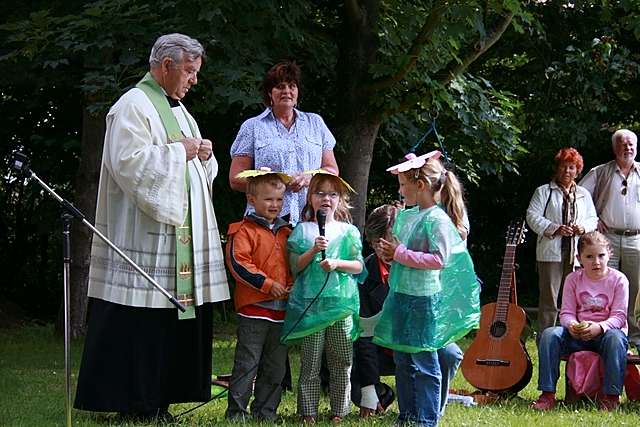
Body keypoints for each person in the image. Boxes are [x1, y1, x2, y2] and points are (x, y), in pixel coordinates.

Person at [74, 33, 230, 422]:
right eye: (190, 72)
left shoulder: (178, 110)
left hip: (178, 241)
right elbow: (129, 163)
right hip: (144, 237)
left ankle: (159, 400)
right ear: (166, 66)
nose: (194, 80)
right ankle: (135, 402)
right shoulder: (132, 105)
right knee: (141, 323)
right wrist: (182, 152)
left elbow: (196, 173)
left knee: (168, 323)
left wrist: (204, 157)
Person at [374, 152, 480, 427]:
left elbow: (438, 260)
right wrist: (390, 254)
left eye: (402, 184)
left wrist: (400, 253)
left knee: (423, 361)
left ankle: (426, 420)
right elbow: (403, 251)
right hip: (402, 295)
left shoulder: (437, 220)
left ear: (419, 185)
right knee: (403, 360)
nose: (399, 190)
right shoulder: (409, 216)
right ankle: (407, 416)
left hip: (423, 300)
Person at [281, 170, 364, 423]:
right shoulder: (302, 231)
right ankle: (308, 411)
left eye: (332, 194)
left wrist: (338, 262)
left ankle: (340, 410)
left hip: (340, 304)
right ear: (310, 198)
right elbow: (294, 265)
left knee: (342, 360)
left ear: (340, 199)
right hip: (311, 305)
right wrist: (313, 251)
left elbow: (359, 266)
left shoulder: (348, 231)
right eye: (319, 193)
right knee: (310, 362)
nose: (326, 198)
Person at [229, 61, 339, 224]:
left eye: (292, 86)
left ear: (297, 93)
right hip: (267, 222)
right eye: (280, 87)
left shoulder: (315, 123)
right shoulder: (253, 126)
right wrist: (271, 183)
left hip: (310, 219)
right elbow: (235, 179)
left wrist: (310, 178)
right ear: (269, 93)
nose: (287, 91)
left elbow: (332, 170)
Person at [224, 169, 294, 421]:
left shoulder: (289, 232)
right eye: (268, 199)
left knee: (275, 367)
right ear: (251, 200)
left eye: (279, 199)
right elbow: (238, 263)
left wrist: (293, 284)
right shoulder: (242, 230)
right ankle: (236, 413)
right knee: (247, 363)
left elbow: (295, 264)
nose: (275, 205)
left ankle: (266, 413)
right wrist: (267, 284)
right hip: (253, 308)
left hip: (282, 311)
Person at [532, 231, 629, 411]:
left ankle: (611, 397)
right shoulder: (573, 279)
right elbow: (566, 313)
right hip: (577, 334)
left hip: (606, 335)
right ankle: (547, 394)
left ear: (610, 255)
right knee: (549, 334)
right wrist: (572, 326)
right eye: (589, 257)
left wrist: (599, 327)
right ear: (579, 258)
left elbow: (619, 316)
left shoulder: (619, 280)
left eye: (601, 256)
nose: (596, 262)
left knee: (616, 338)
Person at [526, 148, 598, 340]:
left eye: (572, 167)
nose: (567, 171)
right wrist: (555, 228)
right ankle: (546, 337)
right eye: (564, 167)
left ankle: (574, 335)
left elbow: (593, 219)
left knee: (575, 297)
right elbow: (532, 216)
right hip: (551, 253)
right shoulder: (543, 191)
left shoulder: (583, 194)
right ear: (557, 169)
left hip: (576, 254)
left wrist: (581, 228)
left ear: (578, 170)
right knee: (549, 298)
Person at [580, 129, 640, 352]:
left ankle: (634, 336)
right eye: (623, 144)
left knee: (636, 288)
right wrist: (593, 219)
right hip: (607, 239)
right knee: (605, 284)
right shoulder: (600, 172)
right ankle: (606, 332)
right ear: (615, 148)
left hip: (637, 238)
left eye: (631, 144)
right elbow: (579, 195)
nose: (628, 148)